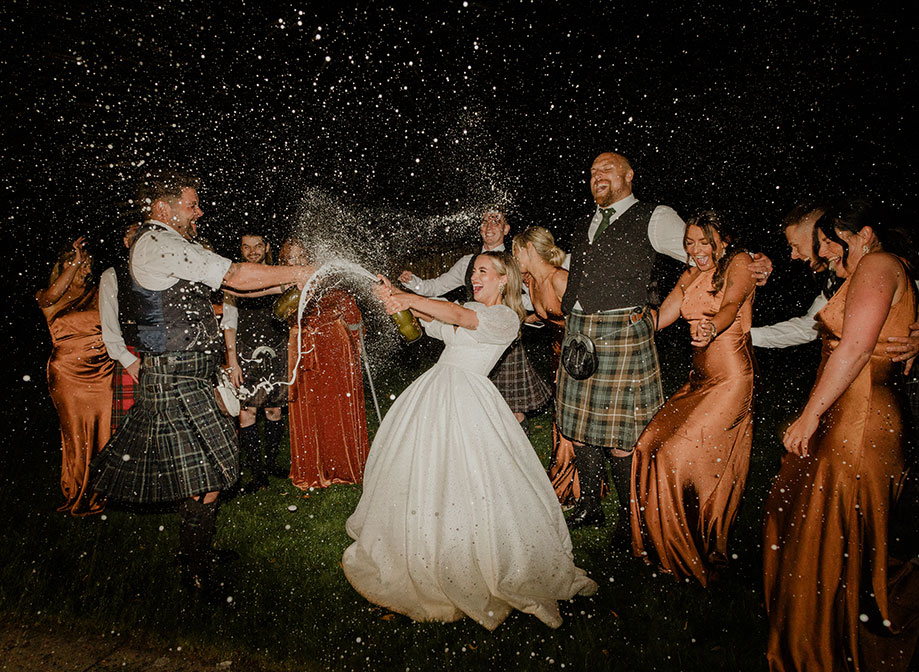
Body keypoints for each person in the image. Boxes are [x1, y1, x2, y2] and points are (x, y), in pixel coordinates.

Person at [342, 251, 597, 630]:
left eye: (483, 271)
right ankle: (422, 544)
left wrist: (411, 299)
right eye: (473, 271)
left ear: (504, 280)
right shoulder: (471, 310)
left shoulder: (505, 318)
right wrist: (394, 294)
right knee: (426, 471)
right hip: (436, 392)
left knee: (473, 476)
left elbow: (459, 317)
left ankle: (475, 555)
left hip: (468, 398)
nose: (475, 277)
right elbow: (437, 319)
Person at [90, 169, 314, 592]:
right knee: (205, 475)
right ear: (163, 208)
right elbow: (233, 277)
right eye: (192, 205)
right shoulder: (158, 242)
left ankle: (197, 553)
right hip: (173, 376)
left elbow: (239, 292)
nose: (200, 211)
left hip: (191, 376)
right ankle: (197, 571)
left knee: (209, 470)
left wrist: (291, 278)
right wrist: (299, 272)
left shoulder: (173, 244)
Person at [558, 151, 772, 535]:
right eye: (592, 171)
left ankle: (629, 521)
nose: (597, 176)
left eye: (607, 169)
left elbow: (703, 253)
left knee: (620, 437)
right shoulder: (583, 222)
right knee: (577, 428)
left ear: (629, 175)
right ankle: (591, 507)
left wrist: (753, 259)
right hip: (579, 331)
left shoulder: (653, 217)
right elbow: (578, 268)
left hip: (619, 333)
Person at [763, 198, 919, 671]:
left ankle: (833, 643)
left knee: (836, 530)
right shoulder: (869, 267)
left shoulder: (876, 263)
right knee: (824, 526)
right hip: (853, 412)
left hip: (863, 417)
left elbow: (854, 347)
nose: (828, 251)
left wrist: (809, 415)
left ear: (864, 235)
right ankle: (829, 631)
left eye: (836, 241)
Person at [630, 211, 756, 586]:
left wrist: (711, 326)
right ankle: (656, 547)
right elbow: (663, 316)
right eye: (689, 242)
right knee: (647, 445)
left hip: (730, 377)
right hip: (698, 378)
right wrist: (627, 323)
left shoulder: (740, 263)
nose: (696, 250)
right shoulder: (692, 271)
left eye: (704, 242)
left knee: (673, 457)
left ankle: (690, 550)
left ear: (723, 240)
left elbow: (731, 305)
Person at [751, 199, 919, 421]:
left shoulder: (885, 265)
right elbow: (809, 327)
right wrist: (745, 335)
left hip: (901, 383)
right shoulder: (836, 279)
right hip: (858, 390)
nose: (793, 255)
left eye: (795, 245)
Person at [400, 206, 551, 429]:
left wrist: (519, 314)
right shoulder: (467, 262)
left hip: (499, 338)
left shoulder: (516, 262)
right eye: (484, 221)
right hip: (470, 338)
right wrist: (414, 284)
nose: (489, 226)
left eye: (495, 221)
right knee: (474, 411)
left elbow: (536, 296)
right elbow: (437, 287)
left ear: (506, 228)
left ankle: (511, 451)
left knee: (511, 409)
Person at [279, 237, 370, 490]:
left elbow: (350, 310)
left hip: (333, 348)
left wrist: (355, 339)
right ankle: (313, 468)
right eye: (290, 259)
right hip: (301, 348)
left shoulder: (326, 278)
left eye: (301, 258)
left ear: (310, 258)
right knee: (307, 406)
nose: (297, 263)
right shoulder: (282, 286)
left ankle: (343, 466)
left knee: (336, 407)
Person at [37, 237, 114, 516]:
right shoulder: (48, 296)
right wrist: (73, 264)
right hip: (68, 374)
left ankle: (100, 493)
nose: (84, 267)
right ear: (63, 264)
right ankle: (75, 491)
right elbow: (50, 298)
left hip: (103, 371)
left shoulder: (99, 291)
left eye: (87, 262)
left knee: (104, 434)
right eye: (77, 262)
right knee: (76, 436)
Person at [512, 225, 584, 506]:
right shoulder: (531, 282)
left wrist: (578, 360)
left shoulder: (560, 280)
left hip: (578, 356)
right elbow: (543, 317)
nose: (514, 257)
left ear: (530, 249)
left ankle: (570, 487)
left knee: (573, 421)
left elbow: (588, 322)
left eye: (517, 251)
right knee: (562, 418)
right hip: (558, 354)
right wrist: (519, 320)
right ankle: (565, 478)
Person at [222, 232, 290, 491]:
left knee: (274, 410)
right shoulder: (235, 279)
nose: (252, 251)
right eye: (246, 247)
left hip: (276, 349)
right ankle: (257, 473)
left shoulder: (279, 275)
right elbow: (228, 324)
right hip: (245, 353)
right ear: (240, 250)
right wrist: (232, 362)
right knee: (247, 412)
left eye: (257, 246)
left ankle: (271, 463)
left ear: (266, 247)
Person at [99, 222, 141, 433]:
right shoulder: (112, 275)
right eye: (135, 237)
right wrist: (127, 360)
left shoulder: (162, 273)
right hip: (130, 355)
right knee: (128, 431)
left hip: (162, 355)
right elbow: (108, 325)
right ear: (126, 242)